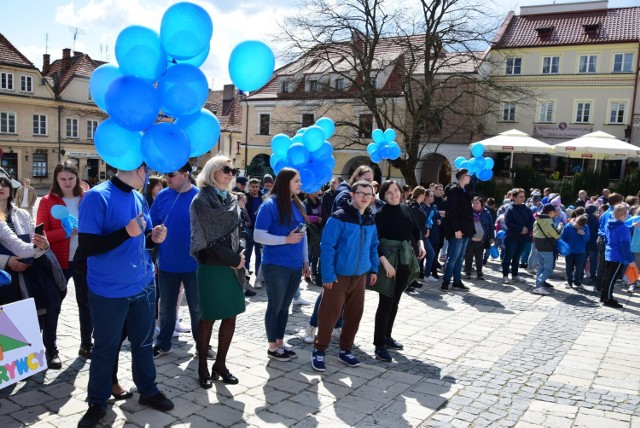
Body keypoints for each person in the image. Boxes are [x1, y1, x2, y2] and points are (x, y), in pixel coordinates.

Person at [77, 163, 173, 428]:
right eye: (148, 167)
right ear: (138, 166)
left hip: (142, 285)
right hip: (108, 290)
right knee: (106, 348)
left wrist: (155, 236)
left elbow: (143, 236)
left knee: (143, 343)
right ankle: (97, 402)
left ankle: (148, 391)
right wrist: (124, 233)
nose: (153, 173)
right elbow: (87, 246)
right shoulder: (97, 196)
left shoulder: (138, 196)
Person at [190, 155, 246, 387]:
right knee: (208, 318)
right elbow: (205, 240)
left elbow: (240, 230)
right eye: (226, 169)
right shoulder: (201, 201)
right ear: (213, 171)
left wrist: (241, 252)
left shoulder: (233, 200)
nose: (230, 174)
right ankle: (203, 366)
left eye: (233, 170)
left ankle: (220, 364)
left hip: (234, 267)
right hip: (212, 267)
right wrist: (233, 259)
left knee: (230, 315)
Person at [311, 180, 379, 371]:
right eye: (361, 193)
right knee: (329, 315)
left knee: (354, 315)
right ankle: (319, 350)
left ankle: (345, 349)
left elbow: (374, 245)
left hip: (360, 276)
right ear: (352, 195)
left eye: (368, 194)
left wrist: (373, 269)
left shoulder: (371, 219)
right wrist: (328, 275)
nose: (365, 197)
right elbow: (327, 247)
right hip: (338, 276)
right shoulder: (338, 217)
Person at [150, 162, 205, 359]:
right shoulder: (163, 196)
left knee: (197, 307)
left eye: (171, 174)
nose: (167, 179)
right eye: (165, 175)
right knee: (166, 307)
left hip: (194, 265)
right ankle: (163, 343)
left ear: (186, 174)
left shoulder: (200, 196)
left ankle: (202, 345)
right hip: (167, 263)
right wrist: (153, 258)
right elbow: (151, 226)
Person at [254, 167, 310, 361]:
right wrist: (285, 240)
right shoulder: (269, 205)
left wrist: (305, 261)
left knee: (285, 307)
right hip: (276, 265)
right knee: (275, 306)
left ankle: (279, 341)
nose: (300, 184)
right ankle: (272, 346)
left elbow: (302, 236)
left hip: (295, 265)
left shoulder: (297, 203)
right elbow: (258, 235)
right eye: (297, 180)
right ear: (286, 182)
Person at [36, 160, 85, 368]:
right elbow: (39, 236)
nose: (67, 182)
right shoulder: (47, 201)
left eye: (71, 178)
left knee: (87, 305)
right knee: (53, 306)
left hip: (84, 259)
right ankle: (51, 350)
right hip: (58, 262)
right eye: (63, 179)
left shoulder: (87, 199)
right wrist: (64, 232)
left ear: (77, 178)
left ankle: (86, 344)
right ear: (56, 179)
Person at [371, 180, 425, 362]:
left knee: (395, 301)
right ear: (383, 195)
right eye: (389, 192)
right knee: (385, 302)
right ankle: (378, 344)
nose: (393, 194)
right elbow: (374, 242)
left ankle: (387, 336)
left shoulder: (406, 208)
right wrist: (385, 264)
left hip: (404, 259)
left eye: (396, 190)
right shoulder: (380, 214)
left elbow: (416, 230)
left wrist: (420, 244)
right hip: (388, 259)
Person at [0, 176, 55, 306]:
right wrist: (6, 260)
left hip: (18, 275)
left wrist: (40, 247)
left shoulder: (16, 216)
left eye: (4, 185)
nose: (0, 188)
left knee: (13, 316)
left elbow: (18, 246)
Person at [441, 169, 473, 292]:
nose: (470, 177)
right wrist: (456, 229)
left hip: (467, 229)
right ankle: (446, 281)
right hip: (458, 230)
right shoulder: (455, 191)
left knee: (460, 257)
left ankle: (457, 281)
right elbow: (452, 212)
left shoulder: (465, 191)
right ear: (463, 177)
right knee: (453, 257)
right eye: (468, 175)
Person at [601, 203, 638, 308]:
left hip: (609, 253)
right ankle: (608, 299)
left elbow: (610, 237)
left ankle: (604, 296)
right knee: (611, 279)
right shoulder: (623, 229)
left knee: (608, 277)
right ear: (624, 215)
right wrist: (630, 260)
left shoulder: (609, 224)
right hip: (617, 256)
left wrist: (631, 227)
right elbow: (625, 246)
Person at [501, 188, 534, 285]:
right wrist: (520, 229)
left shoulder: (527, 209)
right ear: (514, 198)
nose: (523, 198)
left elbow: (531, 221)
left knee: (517, 257)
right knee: (508, 257)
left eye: (524, 196)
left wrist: (527, 229)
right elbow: (508, 222)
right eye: (520, 197)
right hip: (512, 237)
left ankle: (515, 275)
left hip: (524, 238)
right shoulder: (510, 209)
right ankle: (505, 276)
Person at [532, 204, 561, 295]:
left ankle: (538, 284)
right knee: (548, 268)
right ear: (551, 212)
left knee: (541, 266)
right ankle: (539, 286)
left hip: (539, 246)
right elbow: (556, 234)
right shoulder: (548, 221)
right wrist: (560, 227)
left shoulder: (537, 220)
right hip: (547, 247)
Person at [463, 197, 495, 281]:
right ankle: (468, 272)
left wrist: (492, 237)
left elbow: (491, 226)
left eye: (477, 203)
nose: (475, 204)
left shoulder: (486, 213)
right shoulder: (468, 212)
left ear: (481, 204)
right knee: (468, 257)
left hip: (481, 240)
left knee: (479, 258)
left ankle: (479, 273)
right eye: (473, 203)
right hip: (470, 239)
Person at [304, 190, 323, 285]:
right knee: (309, 253)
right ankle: (306, 272)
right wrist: (316, 219)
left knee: (316, 252)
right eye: (314, 190)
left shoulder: (320, 202)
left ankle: (314, 272)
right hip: (309, 231)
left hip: (318, 231)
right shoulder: (306, 203)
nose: (317, 192)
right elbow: (305, 217)